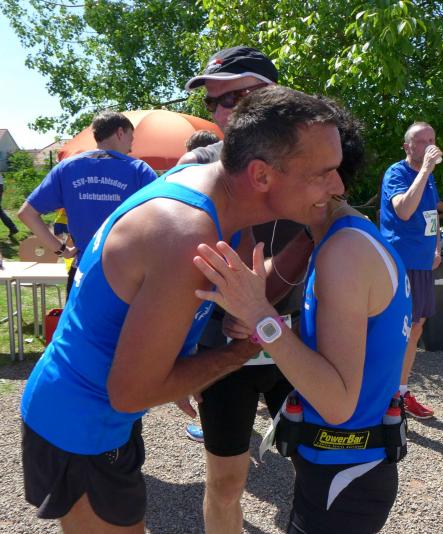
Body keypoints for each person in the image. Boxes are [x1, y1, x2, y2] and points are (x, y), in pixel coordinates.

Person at [19, 86, 345, 532]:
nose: (338, 187)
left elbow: (246, 282)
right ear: (262, 176)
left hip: (101, 412)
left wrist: (250, 303)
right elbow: (130, 392)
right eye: (324, 173)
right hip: (78, 420)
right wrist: (240, 351)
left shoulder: (217, 192)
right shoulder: (185, 233)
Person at [192, 102, 411, 534]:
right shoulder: (344, 237)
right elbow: (350, 342)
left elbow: (337, 403)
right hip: (345, 469)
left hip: (345, 472)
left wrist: (261, 315)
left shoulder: (343, 252)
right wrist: (261, 323)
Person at [177, 46, 315, 534]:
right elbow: (178, 270)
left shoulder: (311, 165)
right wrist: (179, 357)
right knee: (225, 484)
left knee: (317, 472)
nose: (221, 112)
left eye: (233, 98)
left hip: (294, 345)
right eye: (213, 101)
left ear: (272, 97)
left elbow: (330, 243)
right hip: (223, 350)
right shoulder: (196, 164)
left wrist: (262, 307)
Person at [17, 111, 158, 295]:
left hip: (83, 270)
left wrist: (61, 250)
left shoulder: (66, 168)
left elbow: (27, 213)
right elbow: (161, 221)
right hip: (126, 273)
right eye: (131, 139)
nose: (131, 148)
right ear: (120, 133)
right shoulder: (139, 171)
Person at [379, 121, 443, 420]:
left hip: (422, 263)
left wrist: (437, 248)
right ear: (407, 146)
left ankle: (401, 391)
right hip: (401, 262)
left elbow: (432, 215)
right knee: (396, 329)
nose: (429, 146)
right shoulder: (397, 173)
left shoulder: (428, 178)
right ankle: (382, 394)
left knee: (416, 328)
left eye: (432, 140)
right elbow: (404, 210)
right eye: (422, 141)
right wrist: (425, 170)